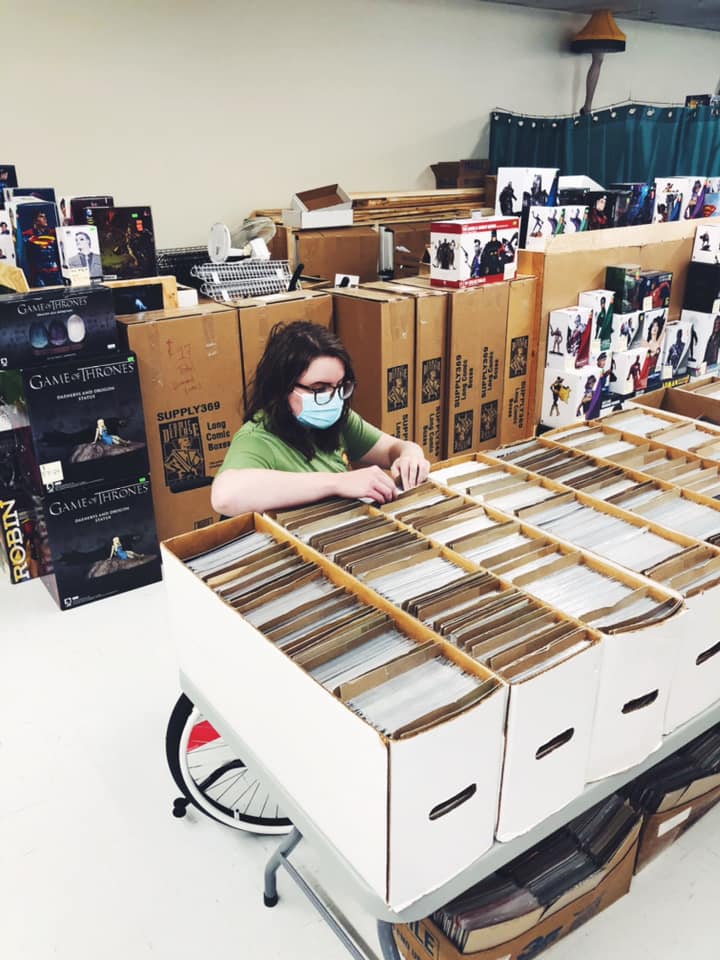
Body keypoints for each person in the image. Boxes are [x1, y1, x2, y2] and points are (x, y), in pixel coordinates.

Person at [211, 322, 430, 517]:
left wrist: (410, 455)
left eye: (340, 386)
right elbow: (224, 496)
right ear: (282, 386)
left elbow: (392, 447)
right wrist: (337, 483)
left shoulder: (337, 421)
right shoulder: (258, 439)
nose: (333, 398)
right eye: (319, 388)